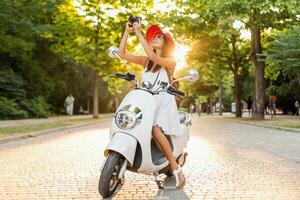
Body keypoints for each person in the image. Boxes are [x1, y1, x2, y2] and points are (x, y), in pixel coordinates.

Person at [118, 21, 185, 188]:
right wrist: (128, 31)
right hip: (147, 101)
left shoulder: (170, 61)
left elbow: (155, 58)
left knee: (154, 129)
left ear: (165, 41)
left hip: (163, 103)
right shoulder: (145, 61)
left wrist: (139, 32)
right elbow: (122, 53)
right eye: (151, 37)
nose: (154, 38)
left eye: (158, 36)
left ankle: (175, 167)